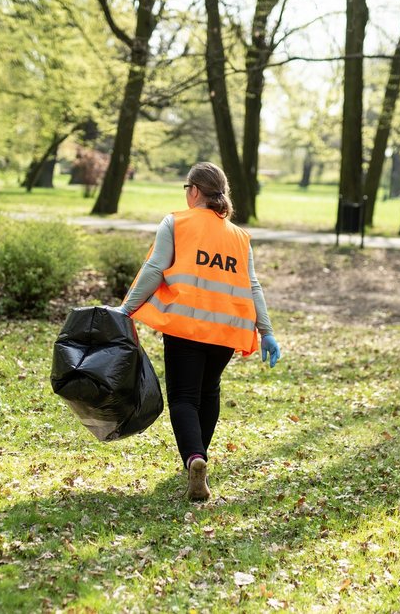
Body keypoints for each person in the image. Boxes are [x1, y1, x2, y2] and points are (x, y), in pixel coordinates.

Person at [114, 162, 280, 501]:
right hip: (228, 331)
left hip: (186, 326)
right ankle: (198, 457)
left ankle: (194, 458)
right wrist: (267, 331)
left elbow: (155, 269)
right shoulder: (239, 236)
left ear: (193, 191)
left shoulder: (176, 222)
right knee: (209, 391)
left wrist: (125, 309)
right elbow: (253, 285)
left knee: (184, 397)